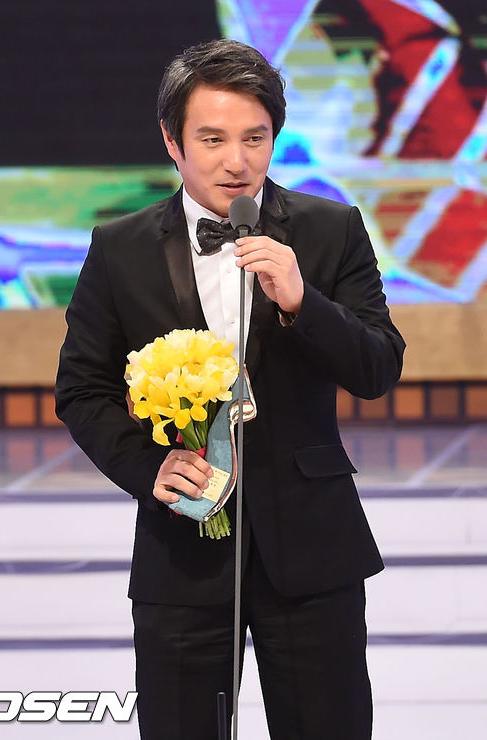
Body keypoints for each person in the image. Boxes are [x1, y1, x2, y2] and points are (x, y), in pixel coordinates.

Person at [55, 38, 405, 740]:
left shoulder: (330, 230)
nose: (236, 161)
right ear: (173, 141)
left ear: (275, 137)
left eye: (255, 138)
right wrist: (149, 466)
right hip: (182, 552)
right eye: (212, 139)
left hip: (311, 547)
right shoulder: (120, 248)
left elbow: (377, 369)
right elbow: (82, 387)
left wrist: (303, 301)